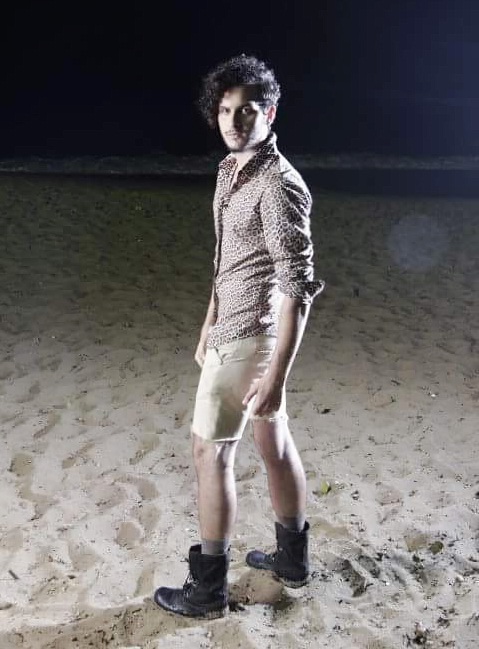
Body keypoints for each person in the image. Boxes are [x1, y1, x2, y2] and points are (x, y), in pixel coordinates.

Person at [154, 54, 324, 618]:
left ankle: (207, 591)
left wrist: (276, 375)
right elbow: (228, 259)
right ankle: (292, 561)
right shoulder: (231, 169)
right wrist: (208, 319)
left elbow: (297, 287)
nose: (234, 120)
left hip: (251, 337)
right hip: (230, 328)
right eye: (226, 110)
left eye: (247, 110)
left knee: (209, 451)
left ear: (269, 113)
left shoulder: (278, 185)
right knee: (274, 442)